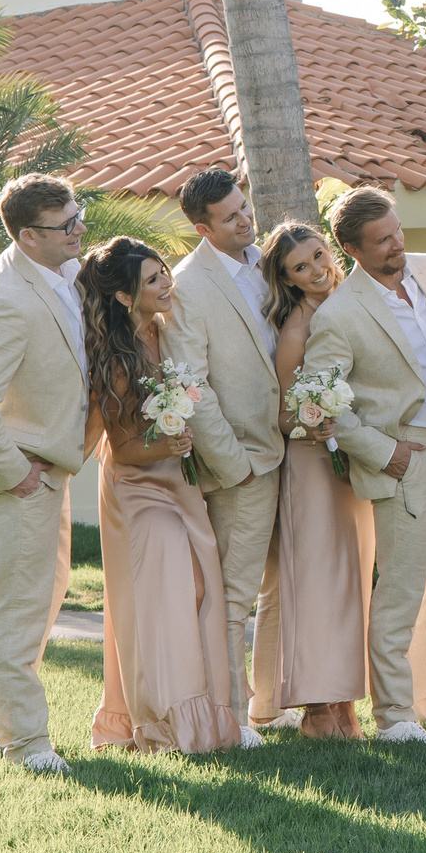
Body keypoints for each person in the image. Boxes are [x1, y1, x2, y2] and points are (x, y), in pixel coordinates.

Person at [301, 187, 426, 742]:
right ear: (350, 248)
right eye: (382, 241)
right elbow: (323, 401)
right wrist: (387, 453)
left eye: (397, 232)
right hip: (405, 455)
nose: (397, 246)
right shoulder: (340, 314)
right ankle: (393, 716)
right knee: (400, 589)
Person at [0, 175, 95, 772]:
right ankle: (27, 744)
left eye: (78, 215)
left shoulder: (57, 274)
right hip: (13, 477)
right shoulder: (7, 298)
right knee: (17, 609)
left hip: (45, 468)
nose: (80, 229)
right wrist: (15, 474)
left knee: (43, 597)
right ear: (30, 237)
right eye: (67, 225)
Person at [81, 236, 238, 754]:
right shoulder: (119, 356)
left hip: (181, 483)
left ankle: (210, 719)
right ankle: (167, 725)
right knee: (165, 597)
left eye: (164, 272)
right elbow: (123, 449)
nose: (166, 283)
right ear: (125, 297)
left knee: (200, 589)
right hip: (138, 490)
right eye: (152, 280)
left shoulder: (170, 333)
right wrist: (165, 442)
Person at [167, 166, 282, 749]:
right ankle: (230, 719)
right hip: (244, 461)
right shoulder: (188, 286)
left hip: (296, 449)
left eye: (245, 207)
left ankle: (272, 704)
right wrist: (232, 462)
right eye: (232, 216)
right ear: (201, 228)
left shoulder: (268, 261)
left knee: (282, 586)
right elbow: (192, 385)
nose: (246, 219)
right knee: (233, 596)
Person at [253, 221, 370, 740]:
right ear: (288, 280)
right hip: (310, 464)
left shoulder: (356, 302)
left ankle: (345, 702)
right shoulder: (296, 327)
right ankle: (317, 709)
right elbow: (282, 413)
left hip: (354, 460)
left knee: (350, 584)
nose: (318, 271)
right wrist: (315, 422)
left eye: (319, 256)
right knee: (317, 585)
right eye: (301, 268)